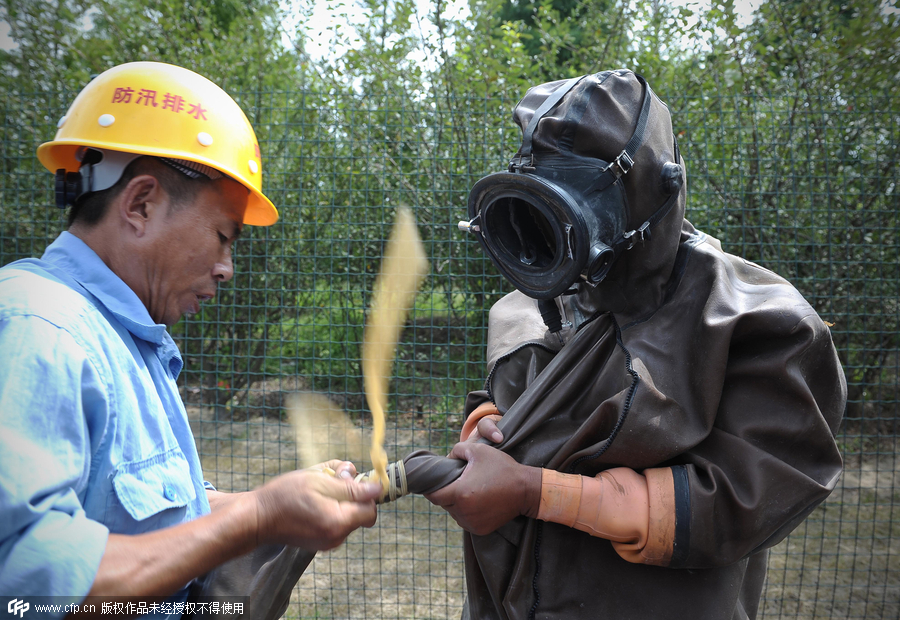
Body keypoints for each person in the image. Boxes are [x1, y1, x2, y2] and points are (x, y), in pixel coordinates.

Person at [427, 69, 846, 619]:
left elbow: (740, 499)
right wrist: (486, 423)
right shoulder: (537, 301)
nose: (558, 248)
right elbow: (506, 397)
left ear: (654, 188)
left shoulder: (754, 324)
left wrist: (533, 490)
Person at [0, 62, 381, 617]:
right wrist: (254, 518)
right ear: (141, 205)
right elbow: (28, 586)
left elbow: (150, 518)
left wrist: (267, 503)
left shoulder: (123, 344)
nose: (226, 268)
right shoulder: (39, 331)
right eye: (224, 237)